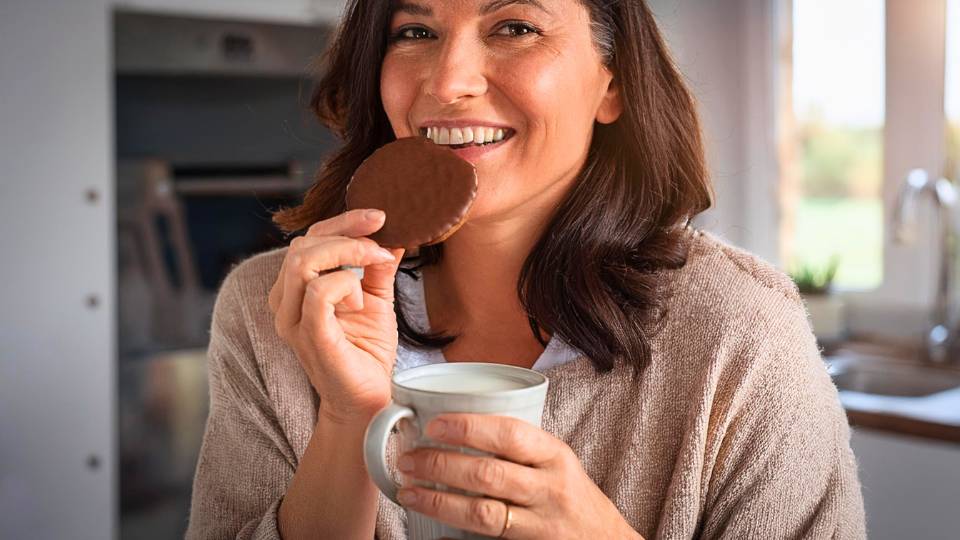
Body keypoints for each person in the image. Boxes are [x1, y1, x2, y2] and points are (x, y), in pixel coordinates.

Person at [186, 0, 866, 538]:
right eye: (414, 30)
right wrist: (348, 416)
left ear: (613, 81)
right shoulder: (274, 310)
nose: (449, 81)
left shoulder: (741, 333)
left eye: (514, 25)